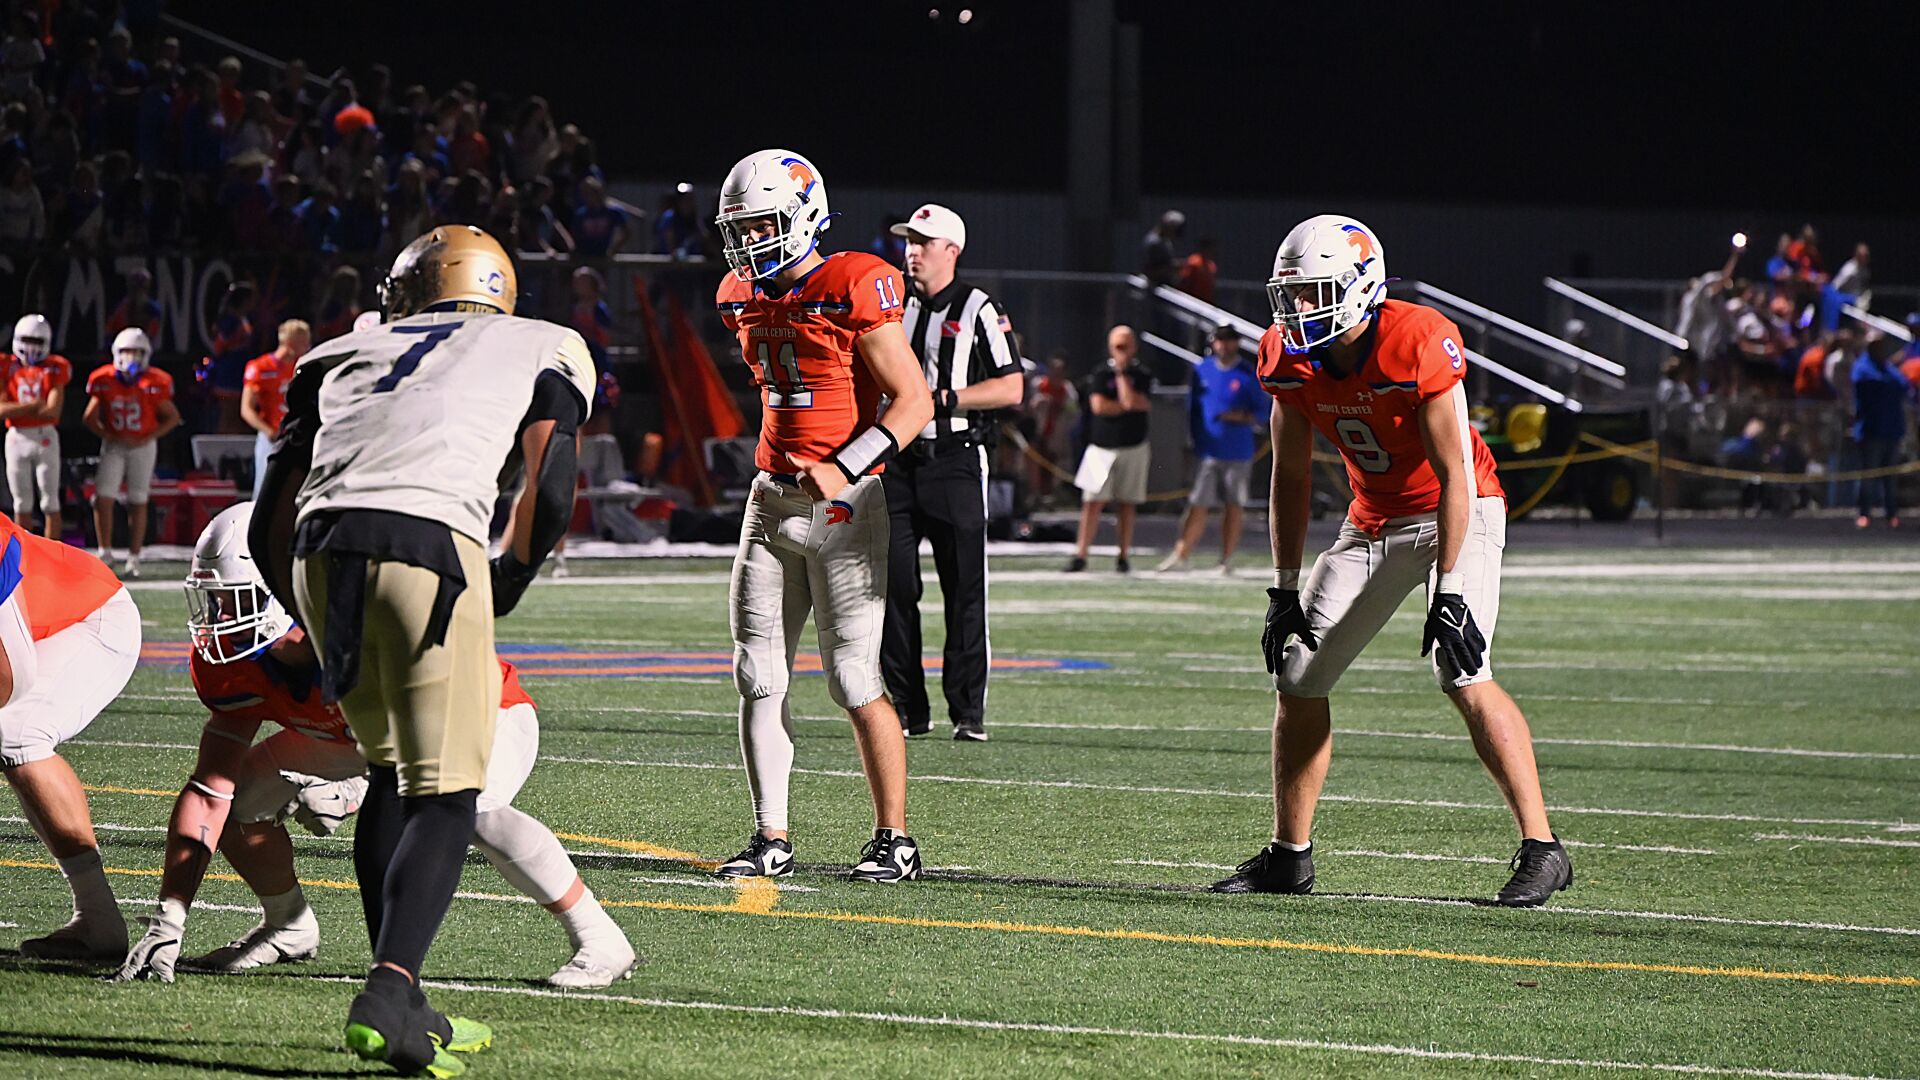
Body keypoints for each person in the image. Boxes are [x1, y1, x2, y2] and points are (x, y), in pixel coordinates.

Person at [251, 224, 594, 1075]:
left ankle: (405, 998)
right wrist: (509, 575)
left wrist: (300, 604)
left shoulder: (336, 351)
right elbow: (550, 476)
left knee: (390, 775)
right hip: (430, 543)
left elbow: (270, 512)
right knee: (446, 794)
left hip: (319, 550)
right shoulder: (545, 341)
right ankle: (388, 988)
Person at [114, 505, 635, 989]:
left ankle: (598, 934)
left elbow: (420, 741)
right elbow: (210, 789)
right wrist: (171, 915)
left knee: (464, 804)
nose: (217, 615)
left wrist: (351, 789)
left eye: (233, 599)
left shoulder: (363, 629)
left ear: (285, 590)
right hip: (357, 737)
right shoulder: (233, 662)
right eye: (212, 598)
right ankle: (287, 925)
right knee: (241, 799)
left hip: (473, 710)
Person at [1214, 214, 1571, 906]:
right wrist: (1283, 586)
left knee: (1462, 670)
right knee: (1300, 676)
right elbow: (1287, 475)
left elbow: (1456, 473)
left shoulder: (1415, 339)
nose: (1299, 311)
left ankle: (1543, 848)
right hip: (1372, 518)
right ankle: (1290, 857)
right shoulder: (1285, 356)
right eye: (1290, 296)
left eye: (1314, 294)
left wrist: (1453, 588)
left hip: (1459, 509)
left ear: (1359, 285)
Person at [710, 148, 933, 883]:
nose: (750, 244)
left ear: (806, 214)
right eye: (739, 230)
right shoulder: (736, 293)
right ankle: (769, 834)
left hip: (847, 505)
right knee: (756, 672)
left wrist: (844, 465)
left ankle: (893, 838)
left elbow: (914, 401)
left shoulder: (853, 282)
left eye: (764, 225)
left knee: (851, 676)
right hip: (770, 500)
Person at [881, 203, 1022, 742]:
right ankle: (908, 709)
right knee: (893, 588)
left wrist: (942, 399)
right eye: (909, 241)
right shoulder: (891, 303)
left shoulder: (980, 307)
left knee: (964, 589)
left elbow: (1011, 387)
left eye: (923, 242)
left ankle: (968, 712)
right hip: (896, 462)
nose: (912, 250)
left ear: (952, 251)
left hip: (956, 462)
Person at [0, 509, 142, 960]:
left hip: (93, 616)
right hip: (41, 626)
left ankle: (97, 917)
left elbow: (9, 677)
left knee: (17, 733)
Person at [1158, 324, 1264, 574]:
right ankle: (1181, 553)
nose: (1223, 345)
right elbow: (1192, 410)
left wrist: (1239, 416)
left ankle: (1225, 559)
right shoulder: (1201, 370)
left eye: (1228, 340)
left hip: (1238, 450)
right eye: (1219, 340)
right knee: (1197, 503)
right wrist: (1192, 441)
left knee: (1233, 505)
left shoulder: (1248, 373)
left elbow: (1262, 412)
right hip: (1207, 449)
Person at [83, 329, 179, 577]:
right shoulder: (103, 378)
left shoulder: (155, 381)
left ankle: (134, 558)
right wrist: (109, 435)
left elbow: (172, 417)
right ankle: (105, 552)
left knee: (138, 500)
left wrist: (149, 436)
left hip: (142, 445)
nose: (131, 357)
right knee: (103, 497)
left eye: (136, 352)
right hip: (115, 445)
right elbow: (89, 417)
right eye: (126, 351)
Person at [1066, 325, 1153, 573]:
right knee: (1092, 502)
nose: (1122, 351)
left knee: (1127, 503)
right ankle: (1081, 554)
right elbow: (1100, 407)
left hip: (1133, 446)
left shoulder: (1141, 374)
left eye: (1126, 346)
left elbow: (1136, 402)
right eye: (1118, 346)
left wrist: (1123, 376)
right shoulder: (1100, 374)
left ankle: (1123, 555)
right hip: (1100, 447)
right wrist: (1124, 403)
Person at [2, 314, 72, 540]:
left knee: (50, 500)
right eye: (27, 340)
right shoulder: (6, 367)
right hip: (16, 437)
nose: (31, 347)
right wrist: (33, 405)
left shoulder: (55, 367)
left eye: (37, 342)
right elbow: (1, 410)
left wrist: (17, 408)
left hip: (45, 437)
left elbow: (52, 411)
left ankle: (51, 557)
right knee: (21, 502)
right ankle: (25, 557)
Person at [241, 320, 310, 498]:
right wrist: (268, 431)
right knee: (264, 490)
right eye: (303, 342)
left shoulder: (303, 368)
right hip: (271, 437)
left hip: (296, 436)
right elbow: (247, 409)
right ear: (290, 343)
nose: (308, 347)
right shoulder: (260, 367)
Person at [1850, 336, 1909, 529]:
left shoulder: (1887, 367)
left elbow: (1903, 384)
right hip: (1871, 431)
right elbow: (1872, 385)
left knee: (1890, 477)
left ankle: (1891, 514)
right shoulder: (1863, 366)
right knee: (1868, 475)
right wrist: (1888, 383)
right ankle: (1864, 513)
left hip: (1892, 430)